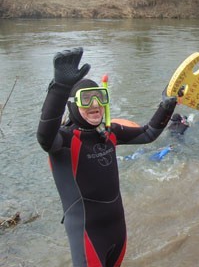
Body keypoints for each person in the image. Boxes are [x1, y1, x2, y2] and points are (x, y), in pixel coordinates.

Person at [36, 47, 183, 267]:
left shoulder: (109, 133)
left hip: (117, 230)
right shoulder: (64, 141)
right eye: (86, 99)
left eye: (99, 97)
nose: (95, 105)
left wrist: (166, 107)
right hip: (86, 234)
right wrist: (60, 88)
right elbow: (44, 137)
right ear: (72, 105)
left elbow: (148, 133)